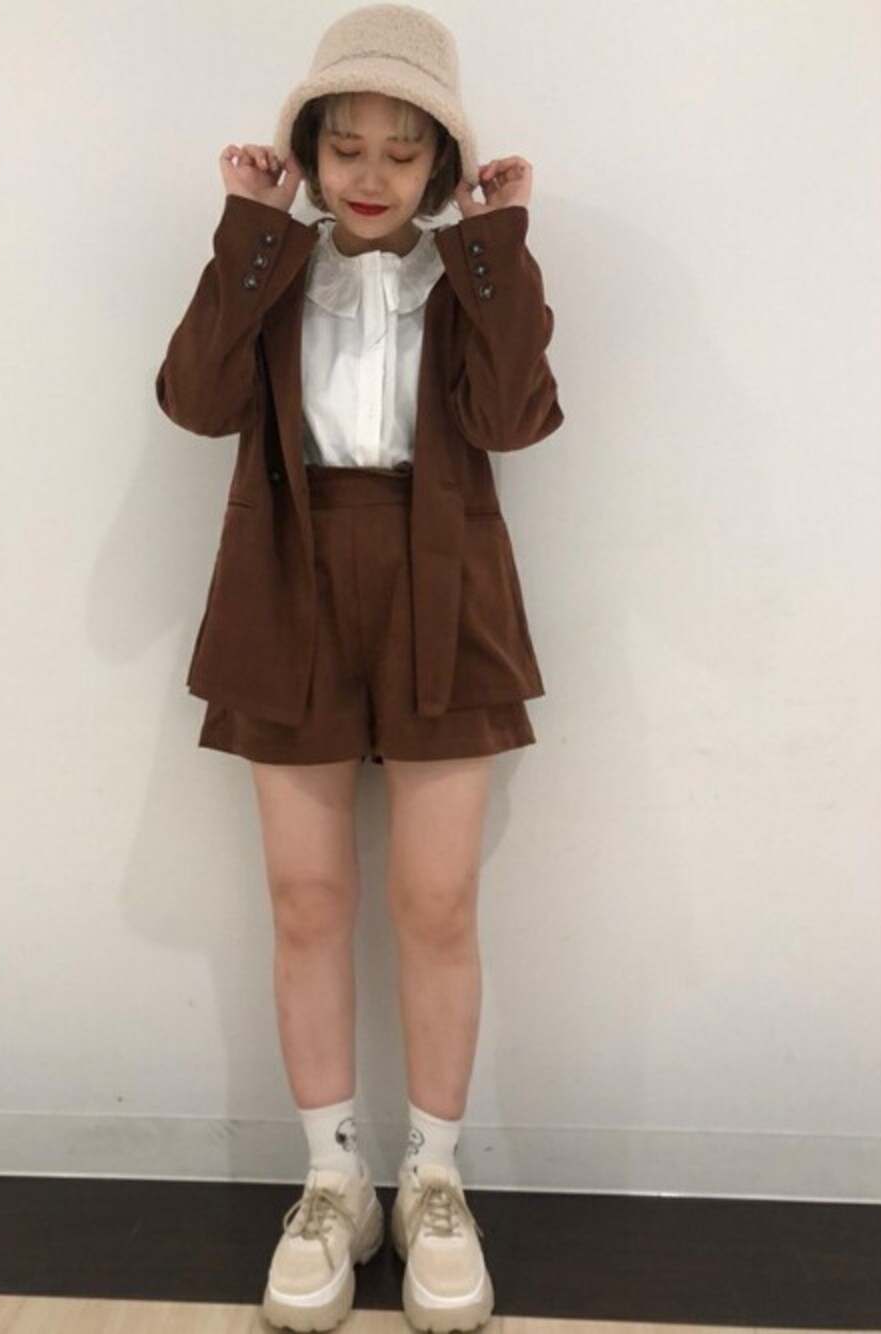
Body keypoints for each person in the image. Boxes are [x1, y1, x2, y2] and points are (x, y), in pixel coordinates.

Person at [155, 4, 564, 1329]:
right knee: (307, 896)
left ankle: (433, 1178)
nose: (372, 175)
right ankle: (333, 1180)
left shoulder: (473, 273)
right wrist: (250, 229)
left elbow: (514, 418)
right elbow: (195, 400)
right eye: (347, 148)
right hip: (287, 578)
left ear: (441, 161)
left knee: (437, 900)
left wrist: (497, 243)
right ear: (309, 153)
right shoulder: (274, 267)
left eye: (403, 149)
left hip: (447, 578)